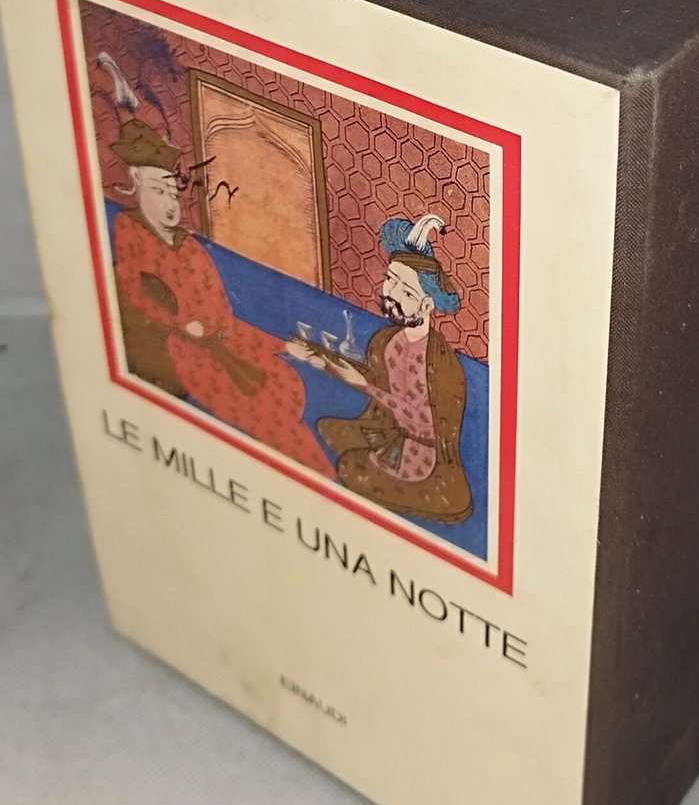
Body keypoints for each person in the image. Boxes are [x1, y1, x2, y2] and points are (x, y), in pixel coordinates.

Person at [110, 119, 334, 479]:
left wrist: (284, 346)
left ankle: (317, 480)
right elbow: (132, 294)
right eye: (158, 190)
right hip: (184, 355)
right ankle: (321, 480)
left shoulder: (191, 248)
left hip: (228, 348)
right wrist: (179, 325)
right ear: (135, 184)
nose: (169, 203)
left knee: (283, 384)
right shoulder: (129, 232)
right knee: (269, 419)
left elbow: (224, 321)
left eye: (173, 192)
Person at [289, 213, 472, 524]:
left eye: (407, 292)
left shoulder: (440, 364)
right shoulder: (387, 339)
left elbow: (426, 424)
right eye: (391, 280)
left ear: (427, 305)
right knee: (328, 430)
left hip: (423, 453)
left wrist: (365, 386)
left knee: (350, 468)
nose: (392, 295)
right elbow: (374, 379)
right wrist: (321, 358)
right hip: (388, 429)